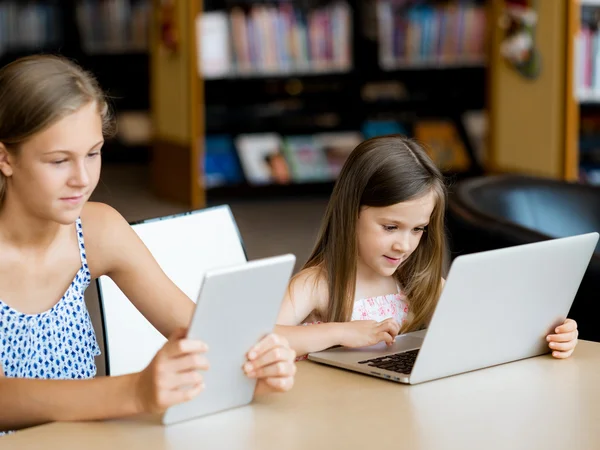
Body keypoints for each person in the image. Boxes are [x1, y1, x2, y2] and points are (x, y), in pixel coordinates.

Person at [0, 55, 296, 434]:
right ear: (5, 157)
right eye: (59, 161)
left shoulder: (98, 230)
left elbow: (199, 332)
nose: (82, 178)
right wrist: (134, 392)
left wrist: (259, 362)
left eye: (93, 153)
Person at [275, 135, 579, 359]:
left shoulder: (419, 282)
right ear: (350, 212)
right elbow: (262, 338)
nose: (403, 245)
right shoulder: (318, 283)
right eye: (390, 227)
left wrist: (551, 333)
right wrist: (340, 332)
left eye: (418, 229)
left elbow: (486, 325)